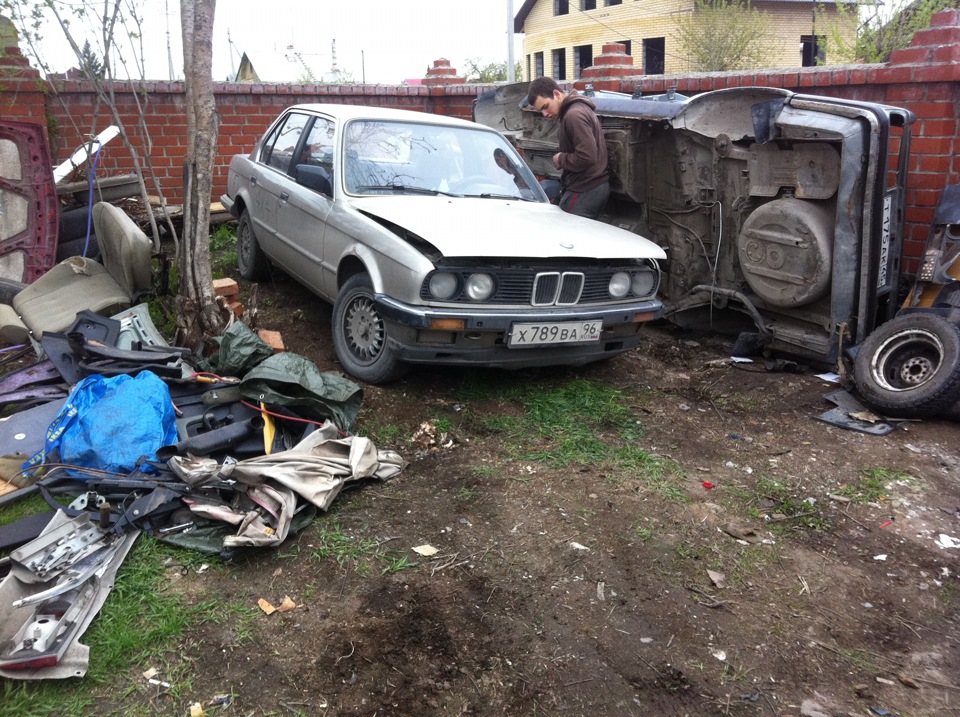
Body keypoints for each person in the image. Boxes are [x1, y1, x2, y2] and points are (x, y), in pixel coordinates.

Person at [526, 77, 610, 219]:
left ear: (557, 94)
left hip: (585, 189)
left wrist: (561, 159)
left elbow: (587, 156)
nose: (545, 114)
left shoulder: (574, 115)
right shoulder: (577, 110)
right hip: (593, 187)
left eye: (545, 107)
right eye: (541, 111)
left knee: (568, 234)